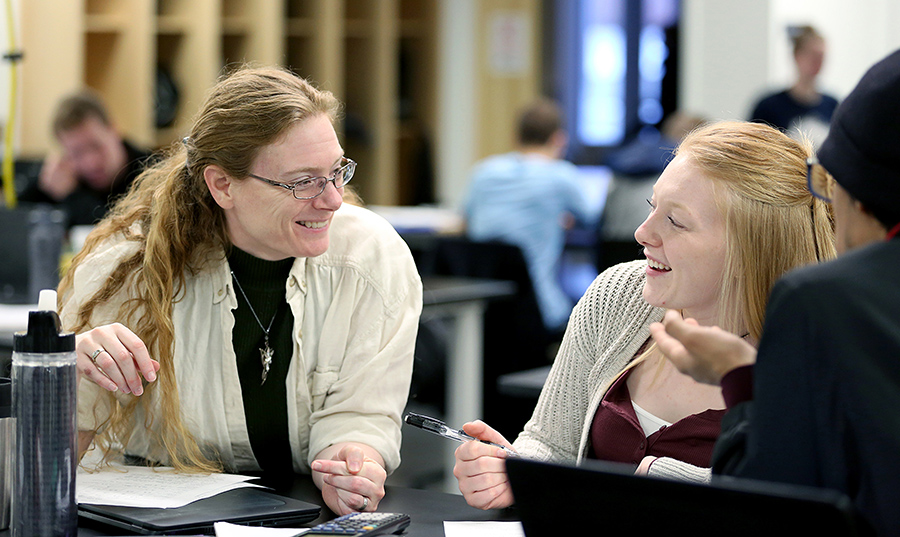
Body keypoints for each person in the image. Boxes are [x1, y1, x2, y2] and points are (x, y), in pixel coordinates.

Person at [59, 66, 423, 516]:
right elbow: (53, 457)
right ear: (223, 185)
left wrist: (351, 462)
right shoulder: (128, 269)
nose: (332, 199)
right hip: (157, 521)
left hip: (304, 516)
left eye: (336, 171)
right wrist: (62, 368)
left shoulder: (372, 257)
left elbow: (361, 413)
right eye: (303, 181)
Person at [453, 120, 835, 510]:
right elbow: (551, 442)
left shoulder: (818, 352)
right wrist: (515, 468)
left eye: (676, 221)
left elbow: (803, 502)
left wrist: (661, 478)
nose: (642, 232)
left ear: (749, 250)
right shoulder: (617, 296)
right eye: (653, 207)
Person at [652, 49, 900, 536]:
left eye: (829, 185)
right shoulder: (618, 296)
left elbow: (771, 505)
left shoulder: (823, 301)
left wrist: (741, 379)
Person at [462, 98, 596, 334]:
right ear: (559, 139)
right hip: (540, 310)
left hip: (480, 313)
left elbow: (465, 222)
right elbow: (592, 219)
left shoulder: (483, 172)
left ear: (516, 136)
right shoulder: (560, 176)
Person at [18, 91, 151, 227]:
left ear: (113, 130)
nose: (91, 163)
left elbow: (120, 231)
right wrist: (43, 180)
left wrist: (71, 196)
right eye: (76, 153)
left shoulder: (153, 172)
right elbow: (14, 217)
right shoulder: (64, 175)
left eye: (96, 146)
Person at [749, 25, 838, 146]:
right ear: (797, 55)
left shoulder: (833, 106)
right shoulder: (769, 107)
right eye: (812, 55)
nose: (817, 62)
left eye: (821, 56)